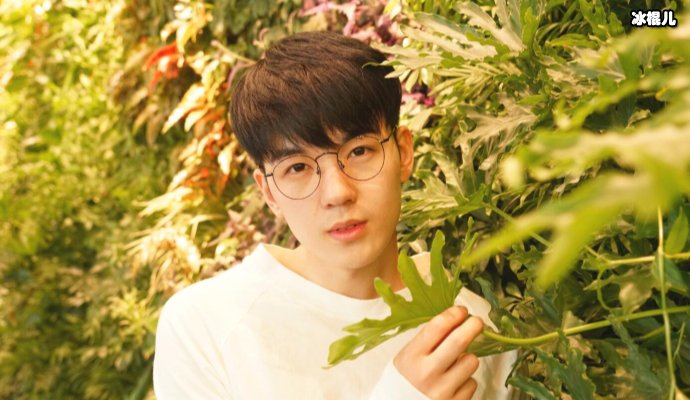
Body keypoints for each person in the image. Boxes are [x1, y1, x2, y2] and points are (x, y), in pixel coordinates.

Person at [153, 31, 516, 399]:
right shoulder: (205, 327)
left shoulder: (478, 330)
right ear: (268, 192)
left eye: (359, 152)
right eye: (297, 168)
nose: (337, 193)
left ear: (404, 153)